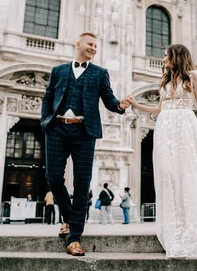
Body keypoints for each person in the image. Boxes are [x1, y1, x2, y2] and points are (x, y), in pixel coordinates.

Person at [126, 44, 197, 257]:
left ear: (176, 56)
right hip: (164, 128)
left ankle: (192, 223)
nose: (162, 60)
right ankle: (176, 222)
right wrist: (136, 104)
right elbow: (159, 108)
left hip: (185, 127)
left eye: (166, 56)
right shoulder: (165, 80)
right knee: (168, 173)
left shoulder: (193, 78)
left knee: (187, 174)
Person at [41, 32, 130, 256]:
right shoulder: (58, 70)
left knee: (82, 184)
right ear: (78, 44)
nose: (93, 48)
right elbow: (48, 97)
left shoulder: (100, 73)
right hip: (57, 128)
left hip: (84, 131)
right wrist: (45, 122)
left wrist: (120, 105)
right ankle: (69, 218)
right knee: (53, 178)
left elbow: (109, 100)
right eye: (90, 44)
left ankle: (74, 237)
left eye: (95, 46)